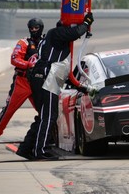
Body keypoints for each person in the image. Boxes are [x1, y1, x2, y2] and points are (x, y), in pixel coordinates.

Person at [16, 12, 94, 160]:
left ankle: (26, 148)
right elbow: (75, 32)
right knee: (49, 115)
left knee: (44, 116)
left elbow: (66, 75)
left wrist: (82, 88)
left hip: (43, 77)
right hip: (46, 78)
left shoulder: (57, 46)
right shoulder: (57, 33)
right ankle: (41, 151)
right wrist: (86, 23)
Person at [0, 18, 44, 146]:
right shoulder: (23, 42)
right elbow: (14, 59)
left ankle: (48, 137)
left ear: (41, 28)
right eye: (31, 28)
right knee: (9, 109)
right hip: (22, 81)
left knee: (46, 111)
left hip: (38, 82)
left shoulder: (45, 43)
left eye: (36, 28)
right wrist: (28, 64)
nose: (33, 30)